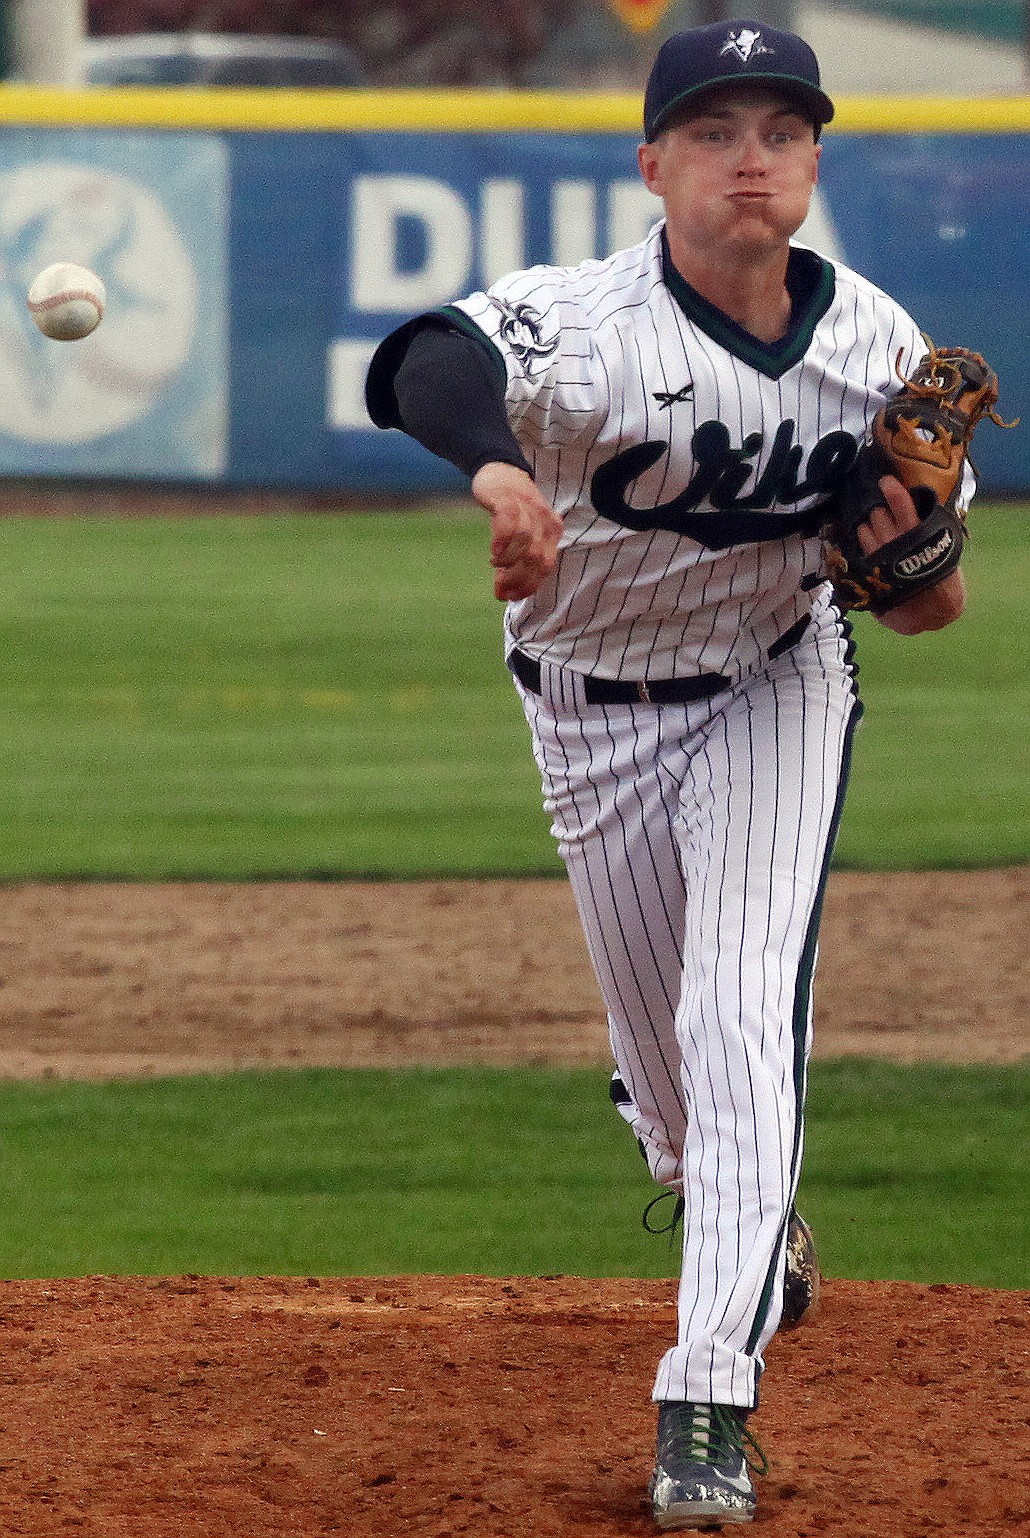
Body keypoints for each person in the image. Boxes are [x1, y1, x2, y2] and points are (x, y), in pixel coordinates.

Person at [365, 17, 967, 1529]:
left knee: (736, 1001)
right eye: (712, 131)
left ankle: (705, 1394)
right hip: (585, 713)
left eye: (779, 130)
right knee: (683, 1091)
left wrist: (916, 559)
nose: (748, 157)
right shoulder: (583, 325)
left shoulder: (874, 348)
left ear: (815, 161)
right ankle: (735, 1203)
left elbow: (925, 603)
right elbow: (423, 361)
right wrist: (499, 469)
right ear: (652, 166)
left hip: (773, 689)